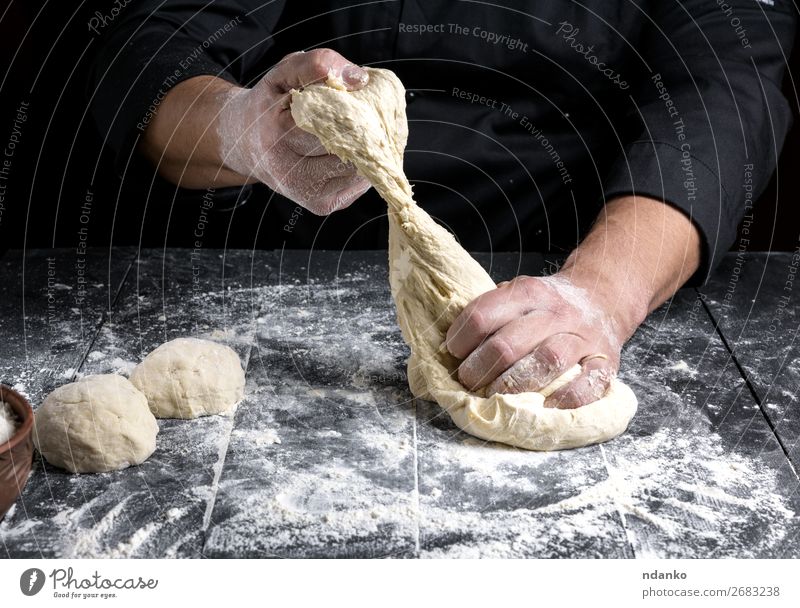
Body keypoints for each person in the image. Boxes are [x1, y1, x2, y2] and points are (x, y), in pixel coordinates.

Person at [88, 2, 796, 408]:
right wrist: (243, 130)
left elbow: (724, 89)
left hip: (546, 251)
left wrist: (603, 292)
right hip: (253, 256)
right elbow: (149, 48)